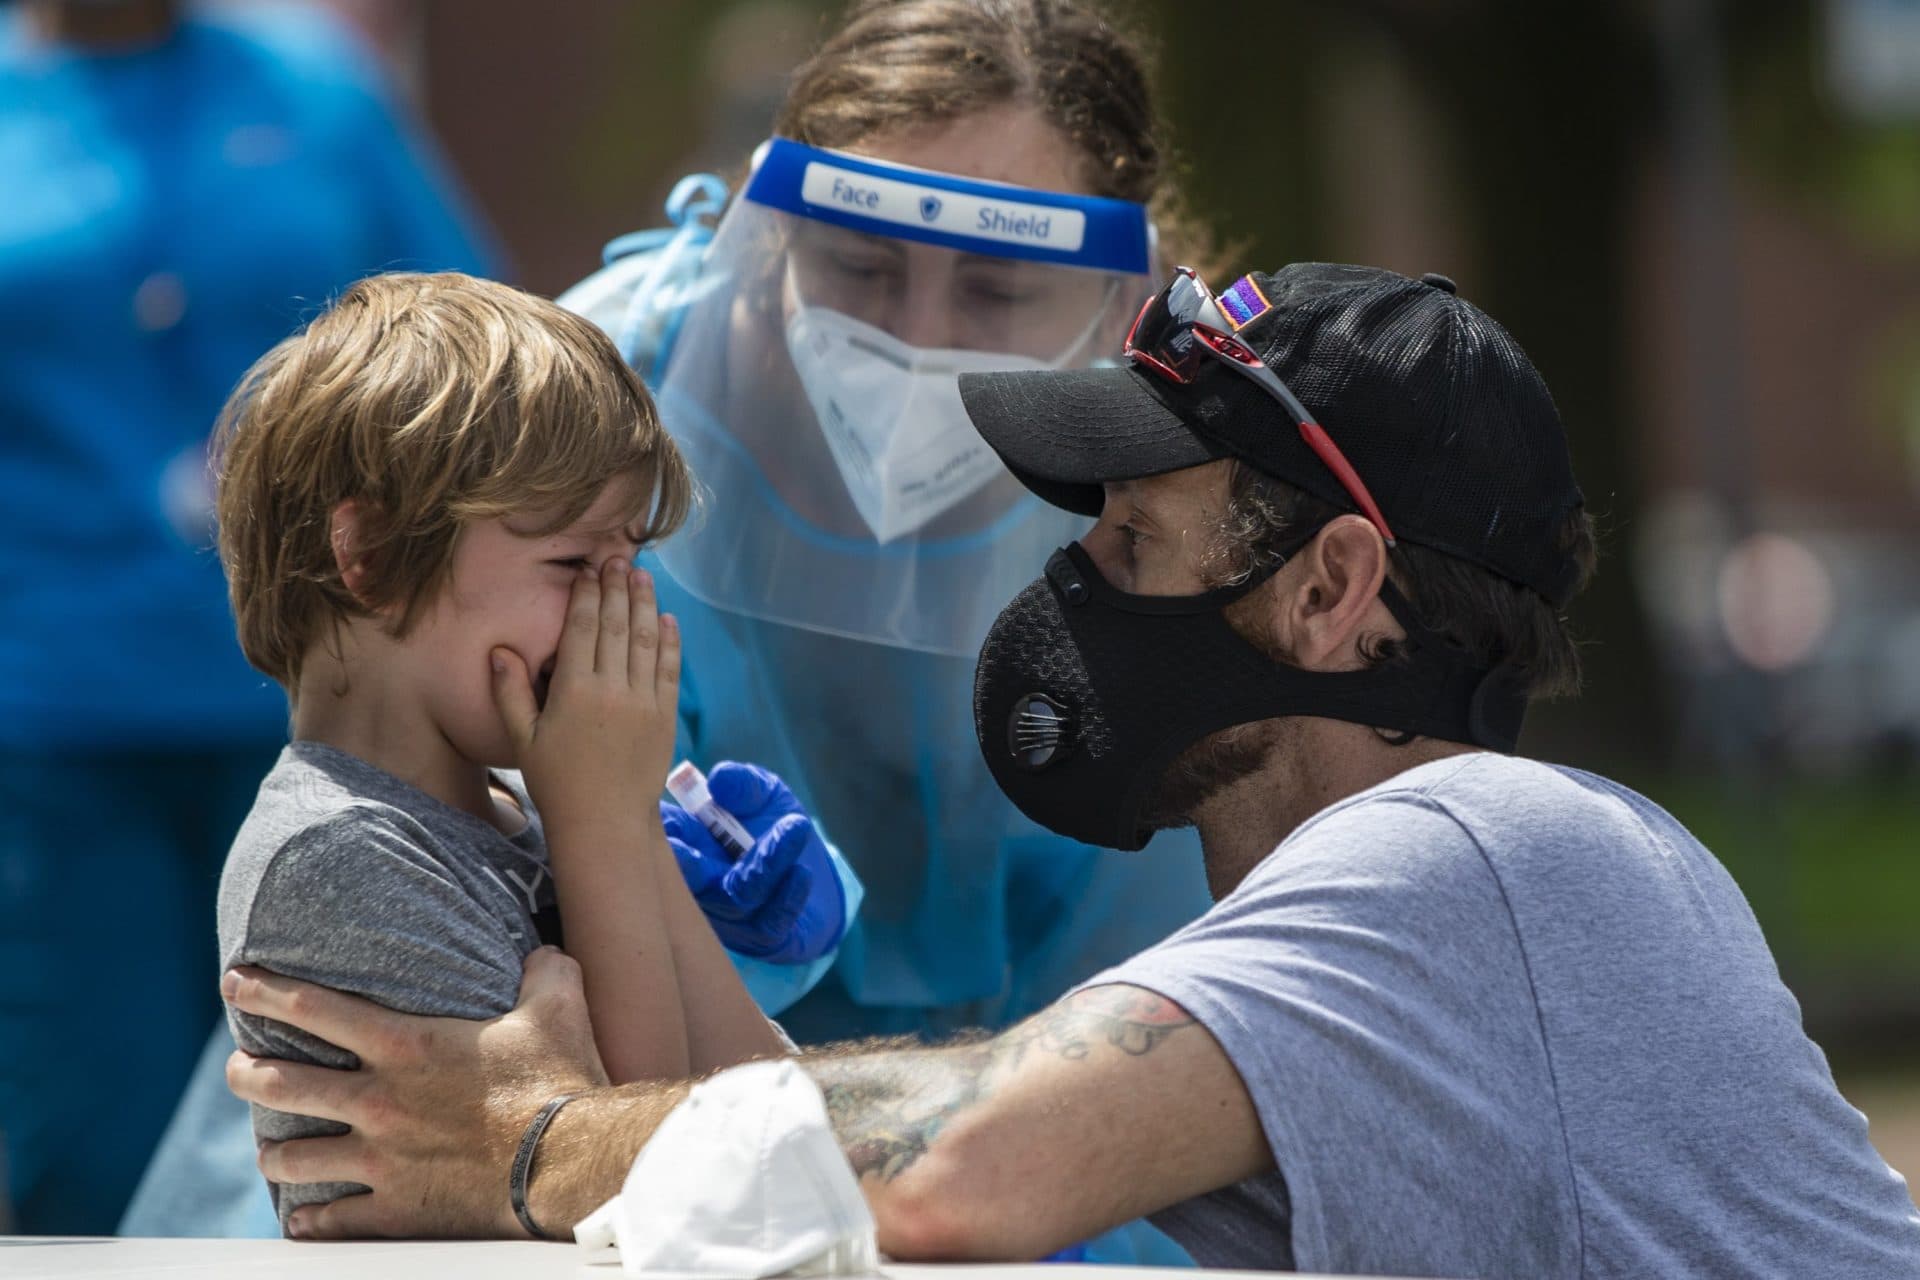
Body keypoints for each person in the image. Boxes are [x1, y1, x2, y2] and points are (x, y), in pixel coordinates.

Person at [222, 263, 1920, 1275]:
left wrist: (523, 1137)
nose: (1081, 587)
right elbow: (918, 1155)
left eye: (1137, 533)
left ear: (1331, 590)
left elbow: (959, 1162)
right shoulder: (1368, 941)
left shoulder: (1478, 849)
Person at [555, 0, 1217, 1057]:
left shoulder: (1171, 509)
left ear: (1120, 295)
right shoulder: (594, 402)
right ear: (769, 236)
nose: (915, 341)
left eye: (997, 289)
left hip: (1037, 1113)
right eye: (859, 270)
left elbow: (1163, 983)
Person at [0, 0, 501, 1232]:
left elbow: (470, 335)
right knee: (93, 1147)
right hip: (55, 731)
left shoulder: (319, 87)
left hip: (325, 711)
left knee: (353, 1131)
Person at [208, 271, 849, 1232]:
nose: (618, 611)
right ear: (371, 555)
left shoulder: (537, 798)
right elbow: (659, 1183)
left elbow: (772, 1106)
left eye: (628, 567)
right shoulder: (341, 858)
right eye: (572, 566)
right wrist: (600, 822)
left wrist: (616, 818)